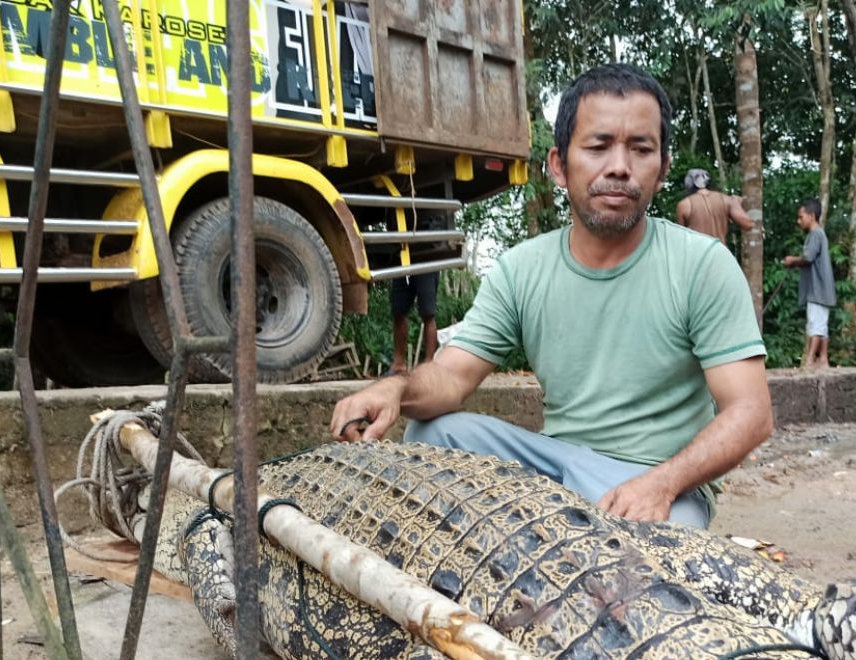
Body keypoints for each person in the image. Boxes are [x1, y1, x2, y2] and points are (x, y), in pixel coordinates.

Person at [331, 63, 772, 528]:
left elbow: (751, 412)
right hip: (554, 462)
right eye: (598, 146)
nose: (619, 166)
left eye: (640, 149)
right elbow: (451, 378)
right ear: (559, 165)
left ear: (662, 169)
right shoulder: (522, 268)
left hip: (661, 480)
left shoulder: (701, 264)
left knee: (659, 555)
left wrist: (662, 484)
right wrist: (394, 388)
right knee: (433, 431)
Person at [782, 198, 836, 370]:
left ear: (811, 216)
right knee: (821, 324)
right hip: (821, 288)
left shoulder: (816, 234)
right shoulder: (818, 234)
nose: (799, 221)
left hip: (817, 288)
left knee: (815, 324)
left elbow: (808, 258)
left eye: (801, 217)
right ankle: (823, 360)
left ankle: (810, 360)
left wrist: (792, 260)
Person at [675, 168, 753, 244]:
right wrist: (735, 202)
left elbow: (682, 238)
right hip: (719, 252)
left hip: (698, 254)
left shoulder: (684, 205)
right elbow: (748, 224)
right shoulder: (726, 200)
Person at [387, 273, 439, 375]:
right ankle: (399, 364)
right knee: (398, 312)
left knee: (428, 314)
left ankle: (429, 363)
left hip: (427, 263)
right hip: (403, 264)